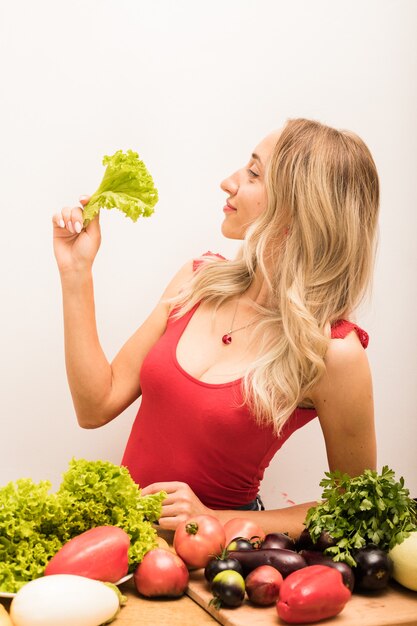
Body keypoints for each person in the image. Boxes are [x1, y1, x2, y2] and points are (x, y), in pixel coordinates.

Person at [52, 118, 379, 538]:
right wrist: (76, 272)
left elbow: (357, 512)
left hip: (215, 569)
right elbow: (95, 406)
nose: (229, 182)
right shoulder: (196, 280)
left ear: (300, 208)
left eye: (254, 174)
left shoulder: (334, 352)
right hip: (121, 547)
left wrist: (212, 518)